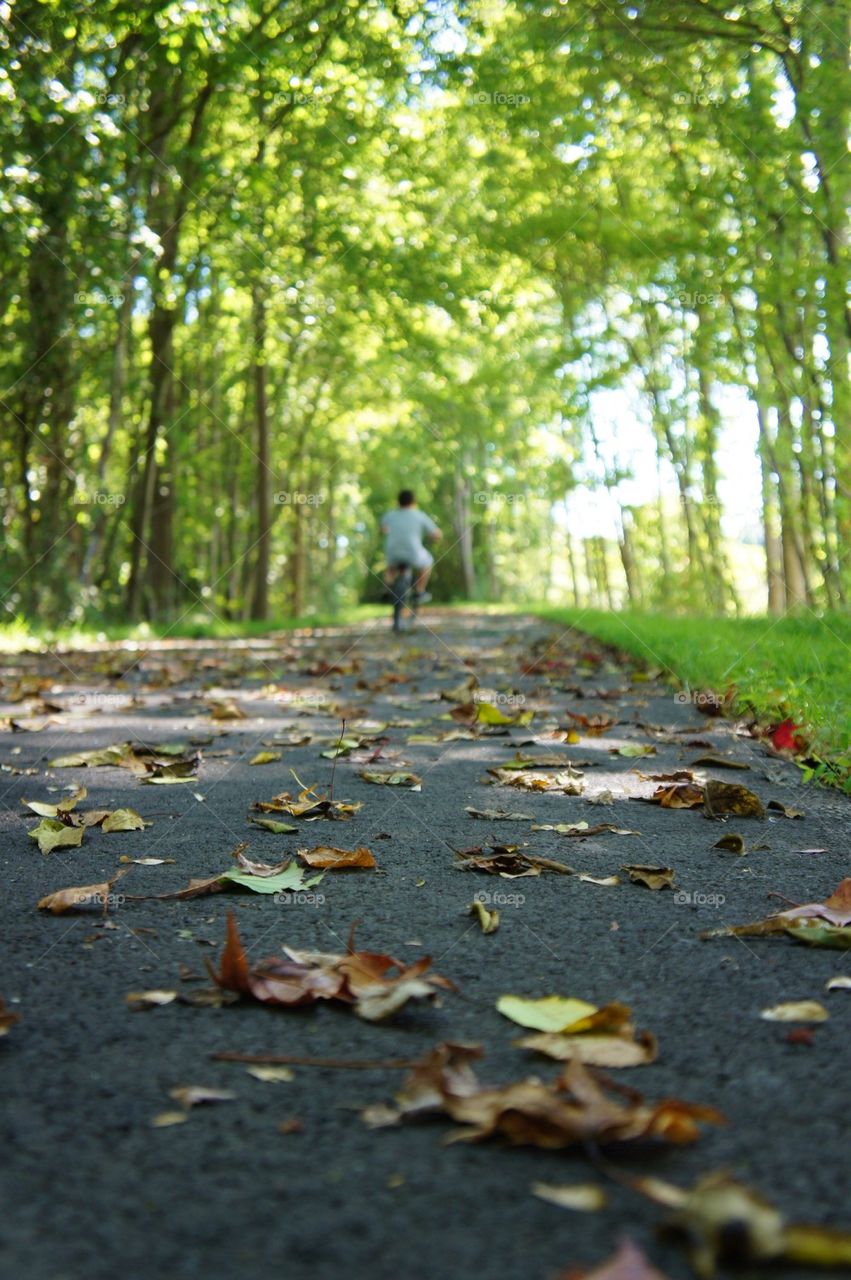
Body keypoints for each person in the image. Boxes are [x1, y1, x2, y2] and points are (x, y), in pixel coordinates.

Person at [381, 489, 442, 603]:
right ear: (413, 502)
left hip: (393, 552)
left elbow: (383, 529)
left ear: (398, 502)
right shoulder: (419, 515)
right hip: (413, 553)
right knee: (428, 561)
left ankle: (387, 588)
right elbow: (437, 534)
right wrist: (432, 538)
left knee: (390, 568)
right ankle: (419, 591)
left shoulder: (390, 515)